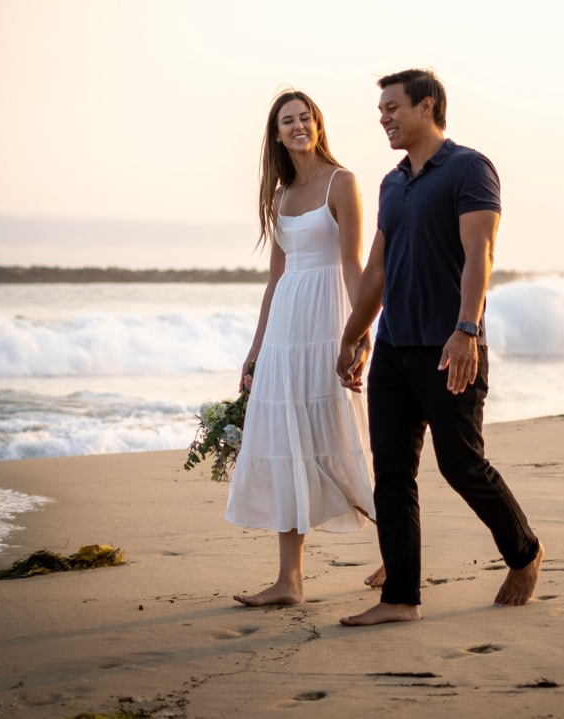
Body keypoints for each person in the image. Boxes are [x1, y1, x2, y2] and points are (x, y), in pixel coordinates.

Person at [336, 69, 544, 626]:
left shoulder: (468, 169)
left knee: (461, 464)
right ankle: (401, 598)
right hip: (394, 352)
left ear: (427, 107)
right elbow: (376, 269)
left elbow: (481, 253)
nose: (383, 118)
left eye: (392, 108)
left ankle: (524, 552)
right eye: (379, 110)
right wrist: (354, 336)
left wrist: (467, 329)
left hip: (450, 346)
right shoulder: (391, 183)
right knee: (394, 473)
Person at [226, 89, 384, 606]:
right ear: (276, 134)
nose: (298, 126)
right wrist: (256, 350)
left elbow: (353, 264)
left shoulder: (343, 182)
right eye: (287, 121)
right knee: (288, 439)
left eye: (306, 117)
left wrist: (359, 333)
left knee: (341, 434)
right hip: (286, 329)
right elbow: (275, 279)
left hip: (329, 317)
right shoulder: (280, 196)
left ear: (318, 124)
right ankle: (289, 581)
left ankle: (397, 550)